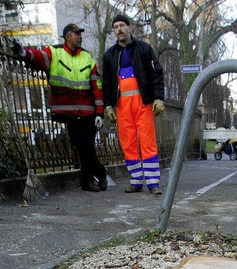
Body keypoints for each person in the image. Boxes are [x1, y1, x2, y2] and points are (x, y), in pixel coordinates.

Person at [12, 24, 107, 192]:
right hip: (69, 111)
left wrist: (100, 113)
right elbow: (38, 57)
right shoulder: (54, 52)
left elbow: (97, 87)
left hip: (88, 112)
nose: (80, 37)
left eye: (80, 34)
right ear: (67, 37)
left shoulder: (87, 58)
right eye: (77, 34)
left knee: (87, 147)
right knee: (81, 146)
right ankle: (100, 172)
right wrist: (23, 53)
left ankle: (87, 182)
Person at [102, 14, 165, 195]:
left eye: (122, 25)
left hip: (143, 103)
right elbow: (107, 83)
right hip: (122, 106)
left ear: (130, 27)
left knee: (147, 142)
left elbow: (157, 74)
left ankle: (153, 183)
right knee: (128, 143)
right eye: (116, 27)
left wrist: (159, 98)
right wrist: (108, 106)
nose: (119, 29)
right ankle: (136, 181)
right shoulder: (110, 55)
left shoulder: (144, 49)